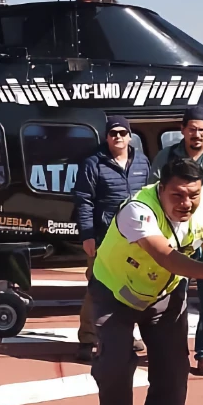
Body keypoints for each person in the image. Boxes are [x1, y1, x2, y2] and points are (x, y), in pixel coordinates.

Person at [89, 156, 203, 405]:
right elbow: (165, 255)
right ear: (160, 189)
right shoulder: (137, 210)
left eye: (193, 195)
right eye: (177, 195)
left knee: (173, 369)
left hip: (165, 294)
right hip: (115, 291)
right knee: (114, 363)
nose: (186, 203)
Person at [151, 106, 203, 376]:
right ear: (183, 130)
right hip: (175, 241)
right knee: (172, 300)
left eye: (202, 129)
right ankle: (174, 352)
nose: (197, 134)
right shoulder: (167, 157)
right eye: (192, 129)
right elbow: (152, 192)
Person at [71, 116, 152, 363]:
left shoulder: (142, 161)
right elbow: (84, 200)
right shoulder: (93, 163)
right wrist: (87, 235)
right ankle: (87, 339)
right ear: (106, 137)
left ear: (129, 136)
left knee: (133, 286)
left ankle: (127, 334)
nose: (118, 137)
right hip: (104, 236)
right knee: (97, 288)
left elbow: (149, 197)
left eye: (122, 133)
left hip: (136, 237)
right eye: (113, 133)